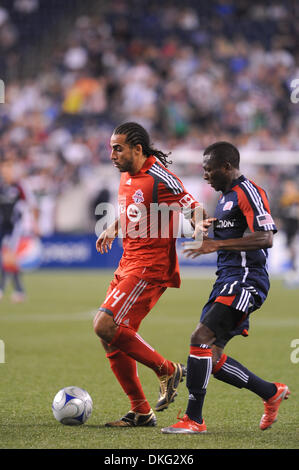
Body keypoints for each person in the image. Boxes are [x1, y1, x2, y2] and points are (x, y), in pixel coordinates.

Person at [162, 141, 290, 434]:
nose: (205, 175)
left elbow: (265, 237)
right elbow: (235, 229)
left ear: (227, 167)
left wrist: (216, 243)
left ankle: (194, 419)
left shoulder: (249, 192)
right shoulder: (226, 198)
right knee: (213, 357)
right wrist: (212, 227)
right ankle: (270, 392)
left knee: (200, 338)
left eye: (209, 170)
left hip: (246, 279)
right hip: (227, 279)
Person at [93, 122, 210, 427]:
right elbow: (133, 208)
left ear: (137, 149)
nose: (112, 154)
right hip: (127, 262)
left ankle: (167, 369)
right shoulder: (126, 175)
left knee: (104, 324)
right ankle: (141, 411)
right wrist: (113, 227)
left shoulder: (160, 177)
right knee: (111, 339)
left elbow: (192, 205)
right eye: (111, 148)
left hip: (149, 267)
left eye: (118, 148)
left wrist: (198, 225)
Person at [0, 156, 39, 302]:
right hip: (2, 226)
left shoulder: (19, 186)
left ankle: (5, 289)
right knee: (7, 258)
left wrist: (35, 224)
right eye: (4, 168)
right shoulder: (2, 186)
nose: (7, 171)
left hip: (14, 226)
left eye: (9, 168)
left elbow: (31, 204)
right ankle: (18, 290)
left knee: (8, 256)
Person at [278, 179, 299, 276]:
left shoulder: (296, 198)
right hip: (289, 227)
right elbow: (281, 214)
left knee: (293, 246)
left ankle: (294, 268)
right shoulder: (284, 199)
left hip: (295, 227)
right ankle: (293, 267)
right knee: (290, 247)